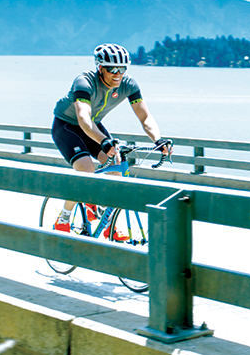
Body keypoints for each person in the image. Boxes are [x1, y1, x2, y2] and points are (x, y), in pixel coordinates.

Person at [50, 43, 172, 239]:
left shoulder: (129, 84)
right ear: (100, 68)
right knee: (86, 169)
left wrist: (158, 139)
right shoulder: (84, 82)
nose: (118, 74)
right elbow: (83, 118)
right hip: (68, 126)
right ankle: (64, 217)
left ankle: (108, 224)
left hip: (94, 126)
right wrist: (104, 140)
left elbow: (144, 117)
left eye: (122, 69)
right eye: (112, 69)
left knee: (115, 168)